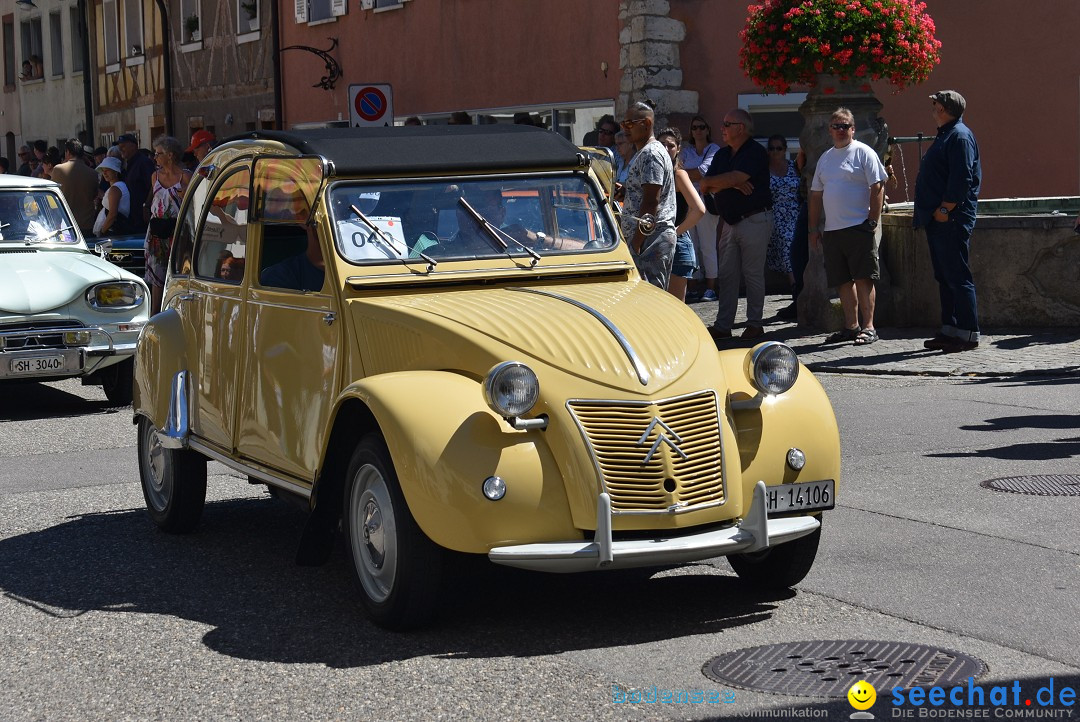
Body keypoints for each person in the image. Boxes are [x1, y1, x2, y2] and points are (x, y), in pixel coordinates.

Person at [809, 107, 888, 346]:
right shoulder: (825, 158)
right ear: (830, 130)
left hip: (859, 226)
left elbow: (878, 187)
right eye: (836, 126)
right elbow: (815, 195)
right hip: (833, 230)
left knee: (864, 278)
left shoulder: (864, 153)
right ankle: (851, 326)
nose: (841, 130)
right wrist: (813, 229)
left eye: (845, 126)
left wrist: (872, 221)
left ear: (853, 129)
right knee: (842, 281)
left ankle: (869, 327)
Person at [914, 90, 983, 353]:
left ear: (942, 108)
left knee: (957, 275)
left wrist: (944, 209)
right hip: (940, 219)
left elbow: (962, 178)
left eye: (934, 105)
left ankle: (966, 333)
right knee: (945, 276)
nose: (932, 109)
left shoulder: (960, 136)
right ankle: (950, 329)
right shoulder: (949, 134)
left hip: (951, 218)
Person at [700, 108, 773, 339]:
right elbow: (705, 185)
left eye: (726, 124)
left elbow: (733, 178)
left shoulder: (755, 152)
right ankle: (723, 326)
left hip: (754, 219)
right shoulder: (722, 155)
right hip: (730, 222)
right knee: (727, 274)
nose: (722, 128)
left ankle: (754, 324)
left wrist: (728, 181)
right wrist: (730, 183)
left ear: (740, 128)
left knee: (752, 274)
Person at [618, 100, 676, 290]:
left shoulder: (651, 153)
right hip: (647, 239)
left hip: (650, 240)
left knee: (650, 298)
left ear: (647, 123)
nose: (625, 129)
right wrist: (627, 192)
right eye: (623, 124)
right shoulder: (645, 152)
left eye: (630, 124)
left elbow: (652, 201)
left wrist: (636, 243)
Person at [657, 127, 705, 302]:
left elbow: (699, 209)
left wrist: (675, 232)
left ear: (678, 149)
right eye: (662, 144)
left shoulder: (678, 174)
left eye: (671, 145)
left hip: (676, 246)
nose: (666, 148)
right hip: (655, 245)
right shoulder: (652, 174)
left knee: (675, 309)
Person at [144, 136, 191, 314]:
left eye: (158, 154)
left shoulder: (185, 176)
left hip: (177, 231)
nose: (155, 157)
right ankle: (154, 317)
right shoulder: (155, 176)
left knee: (178, 274)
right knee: (157, 278)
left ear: (170, 155)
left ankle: (176, 313)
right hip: (156, 231)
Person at [680, 115, 721, 301]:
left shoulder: (714, 149)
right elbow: (677, 171)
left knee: (707, 246)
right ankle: (694, 285)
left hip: (706, 202)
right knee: (692, 245)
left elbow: (704, 171)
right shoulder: (686, 151)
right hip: (688, 202)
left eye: (702, 127)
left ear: (707, 130)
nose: (698, 130)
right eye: (695, 127)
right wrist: (689, 176)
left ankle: (711, 286)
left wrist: (683, 176)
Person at [765, 134, 803, 315]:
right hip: (775, 217)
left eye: (778, 148)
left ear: (785, 150)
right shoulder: (764, 170)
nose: (774, 152)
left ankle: (799, 295)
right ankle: (797, 295)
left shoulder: (793, 167)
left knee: (797, 250)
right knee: (788, 249)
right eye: (771, 148)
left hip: (795, 214)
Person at [50, 140, 101, 236]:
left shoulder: (58, 169)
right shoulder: (93, 173)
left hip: (66, 224)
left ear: (68, 152)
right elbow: (94, 195)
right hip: (87, 223)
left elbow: (52, 196)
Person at [116, 133, 154, 233]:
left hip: (141, 217)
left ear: (133, 146)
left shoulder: (144, 162)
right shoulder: (128, 163)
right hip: (132, 217)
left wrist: (146, 206)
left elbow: (153, 186)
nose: (121, 150)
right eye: (119, 147)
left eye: (123, 146)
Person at [91, 157, 131, 236]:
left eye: (107, 170)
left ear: (116, 172)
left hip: (112, 231)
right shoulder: (119, 186)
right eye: (103, 171)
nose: (104, 173)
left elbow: (113, 214)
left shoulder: (115, 189)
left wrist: (102, 231)